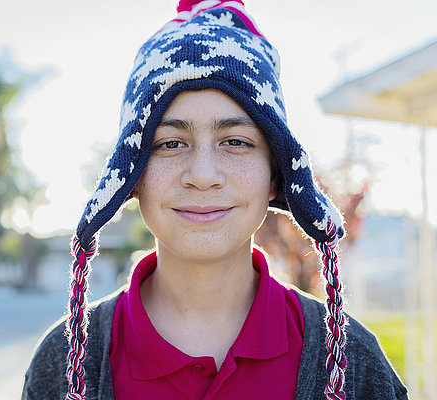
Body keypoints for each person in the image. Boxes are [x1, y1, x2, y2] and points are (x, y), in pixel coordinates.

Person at [22, 1, 408, 399]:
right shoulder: (66, 364)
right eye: (170, 143)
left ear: (275, 174)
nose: (203, 175)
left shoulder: (352, 361)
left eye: (236, 142)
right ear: (132, 174)